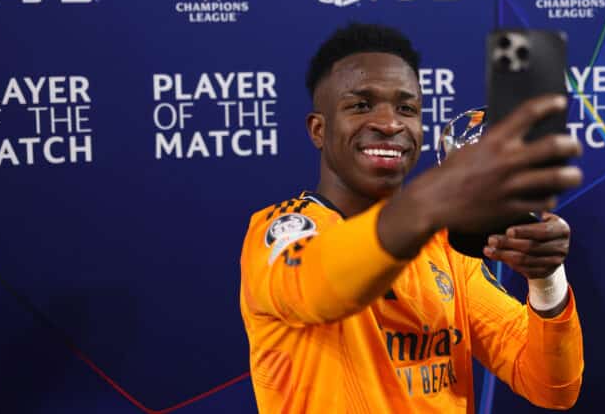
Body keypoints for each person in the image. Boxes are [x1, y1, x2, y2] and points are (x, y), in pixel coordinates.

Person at [239, 23, 584, 413]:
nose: (390, 124)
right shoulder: (280, 232)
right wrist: (434, 197)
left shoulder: (449, 249)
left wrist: (546, 280)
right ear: (319, 129)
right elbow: (320, 288)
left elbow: (552, 387)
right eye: (361, 105)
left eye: (407, 108)